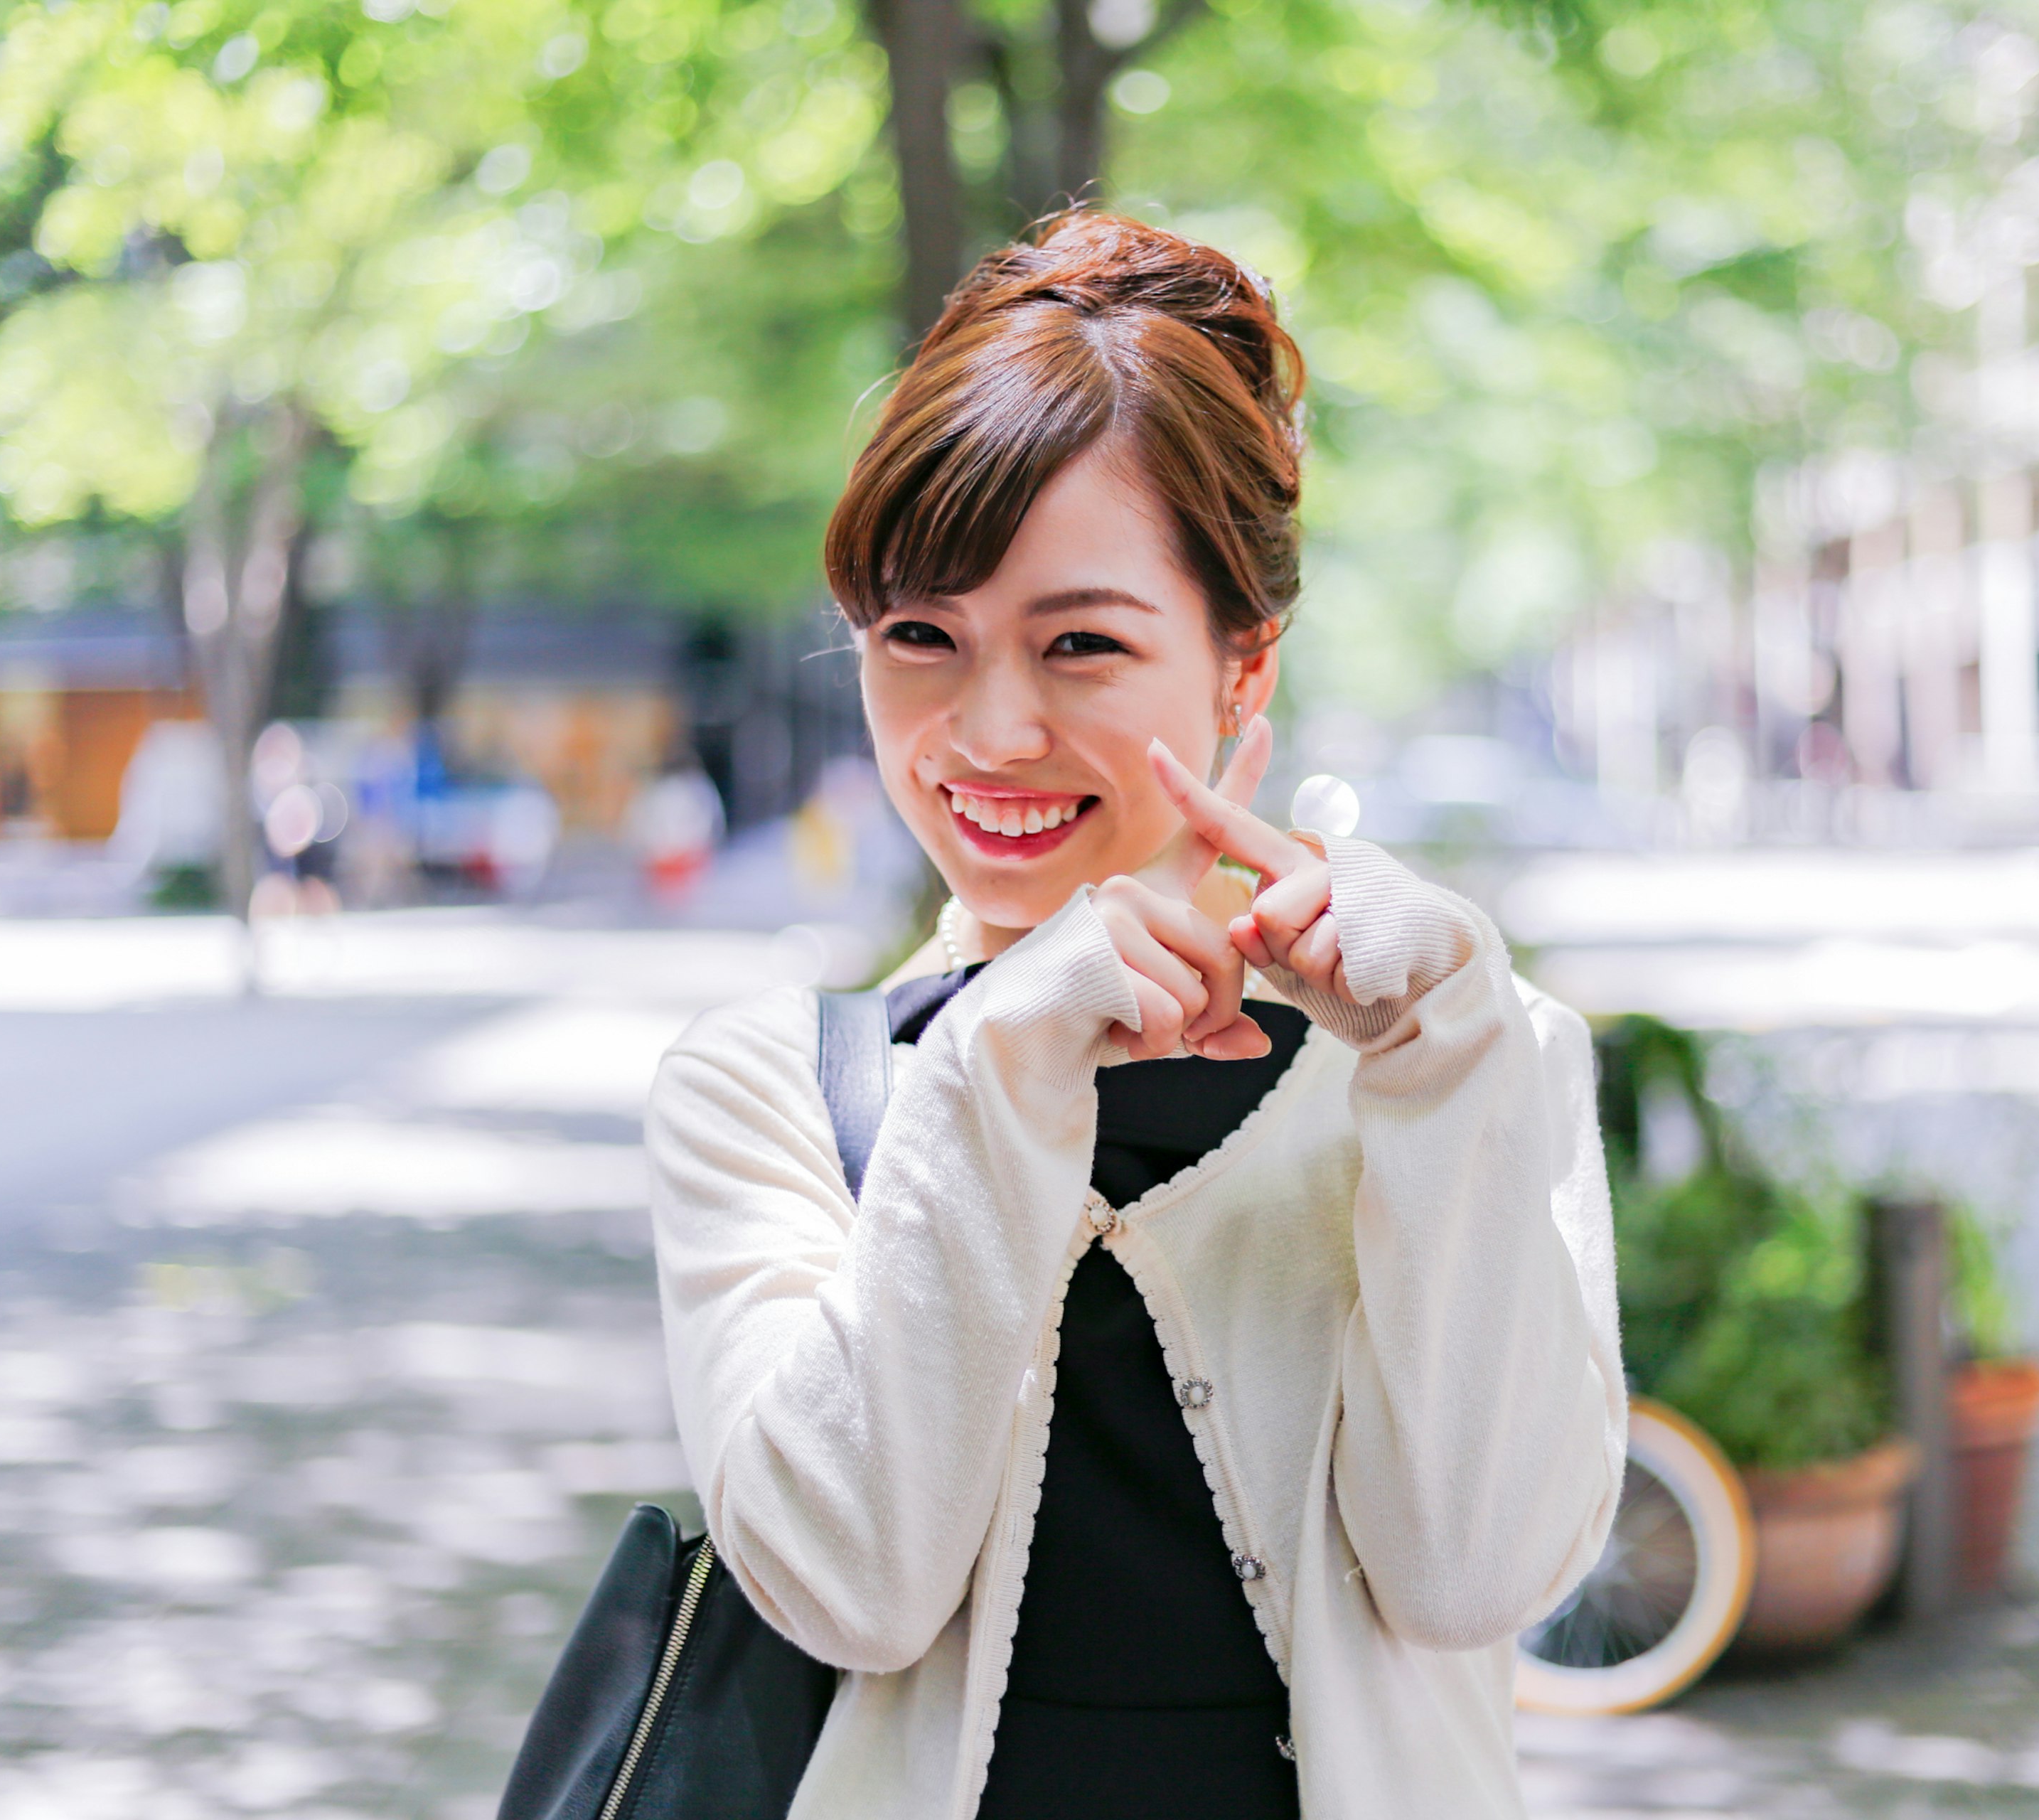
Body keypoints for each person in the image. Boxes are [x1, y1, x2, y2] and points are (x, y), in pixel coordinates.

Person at [646, 211, 1625, 1820]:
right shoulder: (765, 1086)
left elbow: (1475, 1568)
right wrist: (995, 1060)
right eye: (919, 638)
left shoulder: (1470, 1053)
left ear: (1247, 664)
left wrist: (1450, 1070)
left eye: (1082, 641)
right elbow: (846, 1581)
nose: (986, 729)